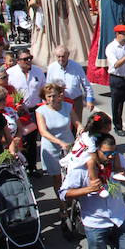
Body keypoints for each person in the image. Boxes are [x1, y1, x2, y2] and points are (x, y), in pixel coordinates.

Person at [36, 83, 80, 217]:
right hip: (51, 148)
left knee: (72, 175)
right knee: (57, 178)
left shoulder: (67, 106)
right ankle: (62, 205)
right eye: (48, 96)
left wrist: (80, 129)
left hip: (69, 145)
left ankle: (74, 201)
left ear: (60, 96)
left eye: (53, 96)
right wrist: (60, 143)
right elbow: (43, 132)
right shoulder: (41, 111)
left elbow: (76, 122)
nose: (51, 99)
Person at [46, 45, 94, 119]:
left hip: (75, 101)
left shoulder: (76, 66)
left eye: (63, 56)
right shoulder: (51, 68)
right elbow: (47, 87)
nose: (61, 59)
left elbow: (86, 85)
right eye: (58, 56)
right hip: (58, 102)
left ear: (68, 55)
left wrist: (89, 100)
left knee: (77, 125)